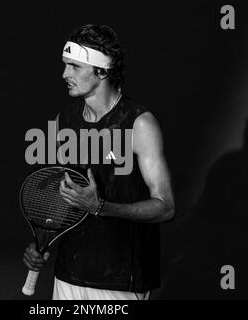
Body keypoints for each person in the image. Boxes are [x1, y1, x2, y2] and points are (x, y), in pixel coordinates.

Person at [23, 24, 175, 300]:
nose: (64, 74)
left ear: (102, 71)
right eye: (65, 65)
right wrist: (41, 242)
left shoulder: (139, 124)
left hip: (120, 281)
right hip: (68, 274)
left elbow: (165, 207)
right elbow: (62, 196)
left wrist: (101, 207)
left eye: (74, 67)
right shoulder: (65, 120)